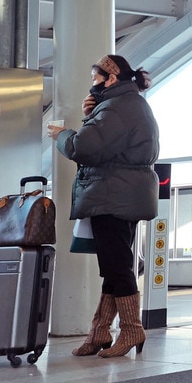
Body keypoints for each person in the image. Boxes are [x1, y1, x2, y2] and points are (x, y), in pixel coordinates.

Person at [47, 54, 159, 358]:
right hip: (123, 192)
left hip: (113, 194)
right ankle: (99, 332)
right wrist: (92, 114)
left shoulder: (117, 108)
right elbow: (106, 142)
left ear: (111, 78)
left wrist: (61, 135)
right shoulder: (127, 104)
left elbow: (84, 147)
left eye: (96, 78)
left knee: (117, 267)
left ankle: (132, 329)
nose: (92, 84)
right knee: (113, 266)